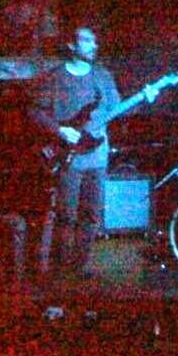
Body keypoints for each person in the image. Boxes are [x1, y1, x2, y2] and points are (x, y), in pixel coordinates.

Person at [31, 26, 157, 278]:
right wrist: (60, 131)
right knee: (66, 215)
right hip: (68, 157)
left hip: (97, 157)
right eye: (87, 40)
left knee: (91, 215)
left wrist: (144, 99)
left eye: (94, 41)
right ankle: (59, 271)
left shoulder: (103, 76)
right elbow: (35, 111)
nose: (93, 45)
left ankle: (79, 269)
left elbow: (118, 111)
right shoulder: (54, 78)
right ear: (71, 45)